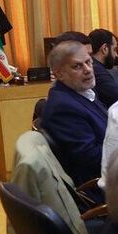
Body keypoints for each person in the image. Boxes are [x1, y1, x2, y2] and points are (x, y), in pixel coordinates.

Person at [40, 40, 108, 186]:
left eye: (88, 62)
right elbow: (92, 158)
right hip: (102, 183)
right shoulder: (64, 107)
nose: (88, 69)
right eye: (77, 66)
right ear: (59, 74)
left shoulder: (82, 92)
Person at [89, 28, 118, 107]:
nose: (116, 55)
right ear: (105, 48)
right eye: (114, 49)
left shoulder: (96, 67)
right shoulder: (96, 70)